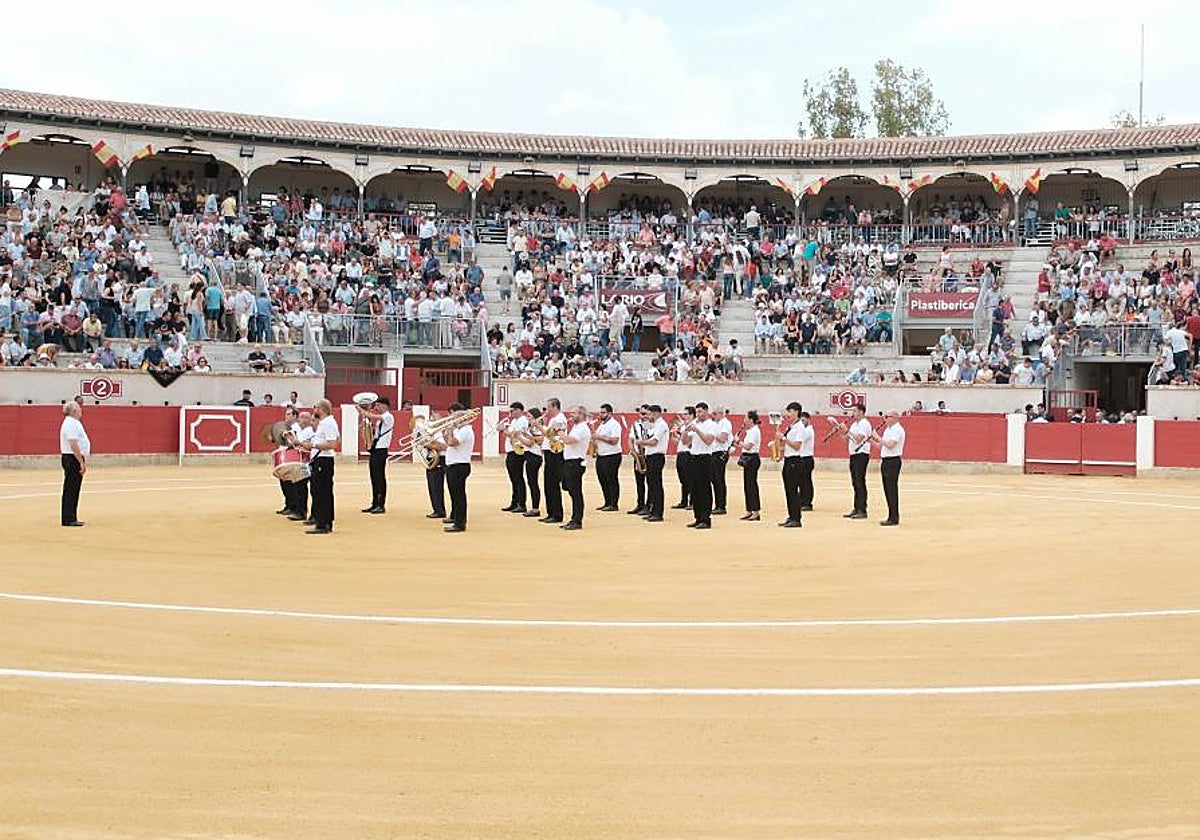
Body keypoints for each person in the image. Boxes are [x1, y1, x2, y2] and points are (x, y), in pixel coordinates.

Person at [301, 399, 339, 534]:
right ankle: (324, 521)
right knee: (321, 491)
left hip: (324, 460)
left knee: (322, 492)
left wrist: (313, 445)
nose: (314, 409)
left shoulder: (328, 423)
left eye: (315, 407)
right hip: (321, 460)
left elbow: (333, 443)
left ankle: (323, 523)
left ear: (322, 409)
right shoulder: (326, 423)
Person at [682, 402, 719, 529]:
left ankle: (705, 518)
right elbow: (686, 442)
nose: (698, 414)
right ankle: (697, 517)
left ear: (706, 412)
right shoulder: (694, 424)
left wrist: (697, 430)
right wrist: (685, 431)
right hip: (693, 457)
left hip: (705, 458)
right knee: (694, 489)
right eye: (697, 412)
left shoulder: (711, 425)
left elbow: (708, 441)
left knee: (704, 489)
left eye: (700, 412)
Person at [442, 404, 475, 532]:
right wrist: (447, 431)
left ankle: (460, 523)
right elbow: (447, 442)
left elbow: (451, 442)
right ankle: (455, 517)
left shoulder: (465, 430)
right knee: (454, 494)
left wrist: (450, 430)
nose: (452, 420)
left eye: (455, 418)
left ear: (462, 419)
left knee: (458, 495)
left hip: (459, 466)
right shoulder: (459, 430)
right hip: (454, 465)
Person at [358, 396, 393, 514]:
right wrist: (364, 418)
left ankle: (380, 504)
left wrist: (362, 410)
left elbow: (373, 416)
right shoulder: (380, 419)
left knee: (379, 477)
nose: (376, 407)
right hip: (375, 449)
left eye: (378, 405)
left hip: (381, 450)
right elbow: (368, 424)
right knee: (374, 477)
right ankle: (375, 503)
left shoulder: (388, 416)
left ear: (385, 405)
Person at [871, 410, 906, 526]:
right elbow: (880, 446)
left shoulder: (897, 429)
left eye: (887, 416)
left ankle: (894, 517)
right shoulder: (888, 430)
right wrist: (871, 439)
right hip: (886, 460)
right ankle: (891, 515)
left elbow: (890, 445)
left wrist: (878, 437)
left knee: (891, 489)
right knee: (887, 489)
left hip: (893, 461)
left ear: (895, 418)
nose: (885, 419)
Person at [559, 405, 591, 530]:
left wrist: (561, 434)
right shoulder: (576, 427)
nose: (571, 415)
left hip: (575, 463)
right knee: (571, 490)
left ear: (581, 414)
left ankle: (577, 520)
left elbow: (570, 440)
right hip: (570, 462)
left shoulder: (582, 428)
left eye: (574, 413)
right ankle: (574, 518)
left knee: (576, 493)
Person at [60, 401, 90, 527]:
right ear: (73, 411)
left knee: (72, 488)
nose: (80, 411)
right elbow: (73, 444)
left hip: (72, 457)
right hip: (72, 458)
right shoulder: (71, 423)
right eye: (78, 409)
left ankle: (71, 517)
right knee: (72, 489)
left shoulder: (71, 423)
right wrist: (81, 461)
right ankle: (69, 519)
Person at [539, 398, 568, 524]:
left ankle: (556, 514)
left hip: (555, 453)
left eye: (549, 407)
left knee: (553, 484)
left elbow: (549, 434)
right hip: (550, 452)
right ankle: (551, 512)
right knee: (549, 485)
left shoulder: (559, 419)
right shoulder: (554, 419)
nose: (547, 410)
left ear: (555, 406)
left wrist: (537, 425)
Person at [777, 401, 806, 528]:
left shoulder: (799, 427)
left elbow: (797, 446)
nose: (788, 414)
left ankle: (796, 518)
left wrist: (784, 439)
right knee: (789, 490)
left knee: (793, 490)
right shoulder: (792, 426)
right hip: (788, 460)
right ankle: (791, 516)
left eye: (790, 411)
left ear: (796, 412)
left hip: (795, 460)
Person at [592, 402, 623, 511]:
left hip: (612, 455)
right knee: (602, 479)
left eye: (603, 412)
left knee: (611, 479)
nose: (601, 414)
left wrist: (599, 437)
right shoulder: (602, 425)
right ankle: (607, 501)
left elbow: (614, 440)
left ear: (610, 413)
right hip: (601, 455)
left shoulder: (614, 424)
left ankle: (613, 503)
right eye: (600, 412)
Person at [843, 403, 872, 520]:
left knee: (860, 481)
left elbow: (859, 438)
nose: (853, 413)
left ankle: (862, 509)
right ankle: (857, 508)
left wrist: (847, 431)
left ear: (861, 412)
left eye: (854, 411)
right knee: (855, 482)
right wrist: (841, 429)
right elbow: (847, 439)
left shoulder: (865, 423)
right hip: (854, 454)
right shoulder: (855, 424)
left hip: (861, 454)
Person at [641, 404, 669, 522]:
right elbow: (647, 436)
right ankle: (653, 510)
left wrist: (641, 442)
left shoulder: (661, 424)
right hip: (650, 456)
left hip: (657, 456)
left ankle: (658, 512)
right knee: (651, 484)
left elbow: (654, 442)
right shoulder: (653, 425)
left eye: (650, 414)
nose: (648, 416)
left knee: (656, 485)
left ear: (656, 413)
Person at [502, 402, 529, 514]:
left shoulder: (523, 420)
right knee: (513, 478)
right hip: (511, 450)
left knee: (518, 478)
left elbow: (515, 433)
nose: (511, 413)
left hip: (517, 451)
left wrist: (507, 432)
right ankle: (515, 502)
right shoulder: (513, 421)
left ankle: (521, 503)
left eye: (512, 410)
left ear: (519, 410)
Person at [517, 406, 543, 518]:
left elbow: (530, 443)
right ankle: (534, 507)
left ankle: (535, 508)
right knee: (531, 482)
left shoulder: (536, 428)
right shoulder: (531, 427)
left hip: (534, 456)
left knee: (533, 482)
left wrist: (519, 437)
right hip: (530, 455)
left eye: (529, 417)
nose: (527, 419)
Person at [737, 410, 762, 522]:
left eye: (746, 418)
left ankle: (755, 511)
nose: (744, 420)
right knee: (748, 485)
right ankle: (749, 510)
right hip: (748, 458)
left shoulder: (754, 431)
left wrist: (738, 442)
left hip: (752, 458)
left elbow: (748, 446)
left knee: (751, 485)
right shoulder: (750, 431)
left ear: (751, 419)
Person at [423, 412, 448, 521]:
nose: (431, 421)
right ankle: (437, 509)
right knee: (432, 486)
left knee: (436, 486)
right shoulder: (433, 432)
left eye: (434, 419)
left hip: (439, 459)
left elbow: (443, 446)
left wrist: (428, 444)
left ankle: (439, 510)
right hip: (432, 458)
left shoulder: (439, 433)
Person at [627, 405, 650, 515]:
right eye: (641, 413)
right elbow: (631, 438)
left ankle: (649, 505)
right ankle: (640, 504)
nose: (643, 416)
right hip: (638, 455)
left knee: (650, 482)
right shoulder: (636, 425)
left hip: (648, 454)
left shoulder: (652, 425)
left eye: (645, 414)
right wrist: (632, 451)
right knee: (639, 482)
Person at [671, 406, 695, 509]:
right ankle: (684, 500)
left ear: (691, 415)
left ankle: (692, 502)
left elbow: (689, 442)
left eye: (686, 414)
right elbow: (676, 442)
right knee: (683, 479)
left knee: (690, 479)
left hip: (689, 453)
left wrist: (680, 434)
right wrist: (673, 434)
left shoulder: (693, 426)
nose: (684, 416)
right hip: (681, 453)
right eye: (684, 414)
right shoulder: (683, 426)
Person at [711, 406, 733, 515]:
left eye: (714, 414)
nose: (713, 416)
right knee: (715, 479)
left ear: (720, 414)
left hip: (721, 453)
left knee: (719, 479)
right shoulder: (716, 424)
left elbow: (723, 439)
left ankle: (721, 505)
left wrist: (712, 433)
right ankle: (718, 504)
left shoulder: (725, 423)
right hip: (714, 452)